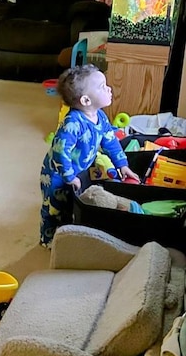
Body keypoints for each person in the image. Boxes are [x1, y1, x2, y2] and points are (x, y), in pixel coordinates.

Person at [39, 64, 140, 247]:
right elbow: (60, 152)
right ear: (86, 100)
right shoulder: (73, 124)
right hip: (57, 174)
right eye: (102, 86)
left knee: (73, 205)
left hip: (79, 172)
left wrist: (122, 164)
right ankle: (47, 239)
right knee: (54, 208)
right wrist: (68, 176)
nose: (109, 88)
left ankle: (68, 233)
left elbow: (110, 141)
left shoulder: (100, 117)